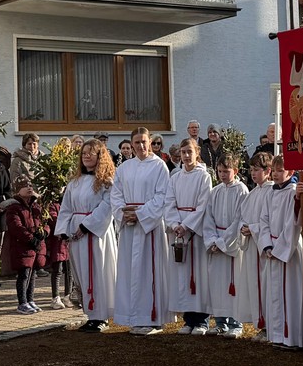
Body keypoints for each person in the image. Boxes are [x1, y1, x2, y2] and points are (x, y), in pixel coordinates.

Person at [109, 127, 171, 334]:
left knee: (149, 271)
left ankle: (152, 318)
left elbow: (162, 196)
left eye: (144, 141)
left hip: (148, 227)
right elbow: (116, 194)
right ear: (132, 144)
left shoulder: (159, 166)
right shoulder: (125, 167)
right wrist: (123, 212)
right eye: (137, 142)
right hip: (129, 226)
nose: (141, 146)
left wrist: (141, 214)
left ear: (150, 142)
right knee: (130, 272)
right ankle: (133, 316)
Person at [57, 142, 117, 332]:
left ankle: (101, 316)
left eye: (91, 153)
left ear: (100, 157)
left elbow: (107, 207)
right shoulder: (75, 182)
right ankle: (91, 314)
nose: (86, 156)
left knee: (97, 272)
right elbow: (66, 207)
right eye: (83, 153)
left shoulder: (106, 182)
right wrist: (64, 229)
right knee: (81, 272)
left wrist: (86, 225)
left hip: (96, 234)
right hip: (76, 235)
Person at [163, 137, 213, 332]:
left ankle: (201, 320)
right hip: (179, 231)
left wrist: (187, 225)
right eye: (183, 152)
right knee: (182, 276)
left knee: (198, 274)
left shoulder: (204, 176)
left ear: (196, 153)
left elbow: (203, 204)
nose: (186, 156)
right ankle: (189, 319)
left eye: (189, 152)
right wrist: (175, 224)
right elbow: (169, 202)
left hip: (195, 231)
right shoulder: (175, 178)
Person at [258, 156, 303, 348]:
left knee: (291, 293)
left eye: (281, 170)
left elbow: (293, 223)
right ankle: (277, 334)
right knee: (275, 294)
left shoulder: (293, 192)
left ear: (291, 172)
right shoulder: (270, 193)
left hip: (289, 249)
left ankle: (292, 336)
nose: (276, 174)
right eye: (274, 170)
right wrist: (267, 245)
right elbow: (263, 220)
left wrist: (279, 248)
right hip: (273, 247)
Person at [199, 152, 248, 337]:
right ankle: (220, 322)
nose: (222, 175)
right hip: (216, 240)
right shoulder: (216, 191)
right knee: (217, 283)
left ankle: (236, 323)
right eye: (219, 171)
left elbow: (238, 220)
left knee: (234, 282)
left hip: (231, 242)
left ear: (235, 170)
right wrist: (211, 240)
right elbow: (208, 217)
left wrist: (221, 242)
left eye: (226, 171)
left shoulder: (241, 190)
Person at [237, 153, 273, 333]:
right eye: (251, 170)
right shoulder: (252, 194)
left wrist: (253, 229)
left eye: (257, 170)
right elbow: (243, 216)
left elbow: (272, 221)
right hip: (252, 246)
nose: (253, 173)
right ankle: (261, 324)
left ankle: (269, 325)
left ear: (268, 171)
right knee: (254, 284)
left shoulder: (272, 192)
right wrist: (243, 228)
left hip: (264, 247)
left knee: (266, 285)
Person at [3, 177, 48, 315]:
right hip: (22, 246)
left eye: (30, 185)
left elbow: (45, 221)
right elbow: (16, 227)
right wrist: (30, 238)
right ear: (17, 190)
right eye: (24, 186)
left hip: (35, 246)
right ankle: (22, 302)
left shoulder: (36, 206)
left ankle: (30, 299)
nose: (29, 188)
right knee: (24, 274)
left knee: (32, 274)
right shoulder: (14, 208)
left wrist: (44, 233)